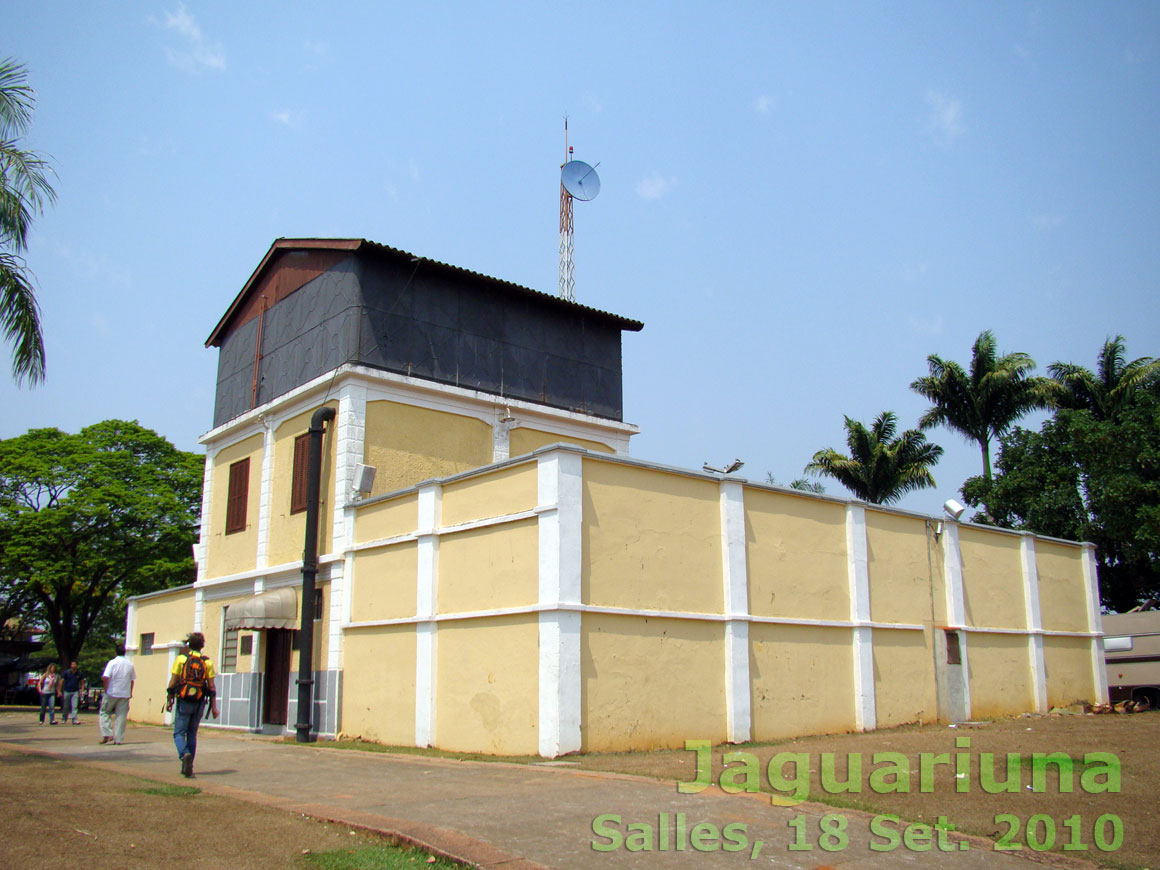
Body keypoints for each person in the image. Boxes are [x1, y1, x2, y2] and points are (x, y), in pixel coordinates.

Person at [167, 632, 218, 778]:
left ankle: (184, 755)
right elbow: (212, 687)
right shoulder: (207, 662)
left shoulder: (182, 659)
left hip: (184, 700)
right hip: (200, 701)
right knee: (192, 734)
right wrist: (214, 707)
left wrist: (169, 698)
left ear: (189, 644)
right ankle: (190, 765)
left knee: (178, 732)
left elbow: (173, 681)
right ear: (202, 645)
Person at [99, 644, 135, 745]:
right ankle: (118, 739)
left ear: (115, 652)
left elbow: (106, 677)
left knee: (104, 712)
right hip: (124, 693)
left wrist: (106, 689)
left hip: (112, 692)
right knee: (121, 716)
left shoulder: (112, 662)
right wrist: (130, 692)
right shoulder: (129, 664)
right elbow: (132, 680)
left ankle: (107, 733)